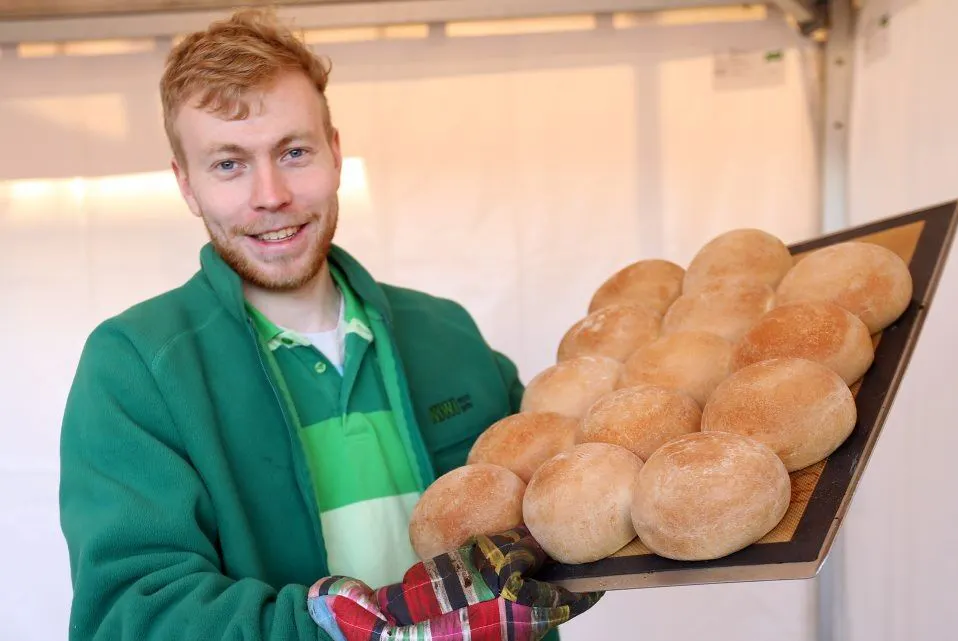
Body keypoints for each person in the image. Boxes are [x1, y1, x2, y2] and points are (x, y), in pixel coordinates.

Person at [58, 7, 602, 641]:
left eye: (294, 152)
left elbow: (555, 513)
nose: (271, 195)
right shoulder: (136, 366)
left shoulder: (447, 334)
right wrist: (341, 629)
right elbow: (130, 615)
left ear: (335, 153)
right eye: (229, 164)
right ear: (186, 184)